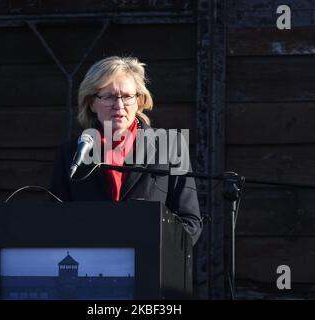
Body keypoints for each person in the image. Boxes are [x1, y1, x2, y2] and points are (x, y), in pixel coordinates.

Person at [51, 56, 202, 245]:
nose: (119, 106)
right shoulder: (71, 154)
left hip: (150, 264)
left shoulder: (170, 146)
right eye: (109, 97)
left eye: (127, 96)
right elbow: (55, 221)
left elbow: (190, 223)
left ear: (139, 100)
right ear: (91, 103)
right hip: (92, 265)